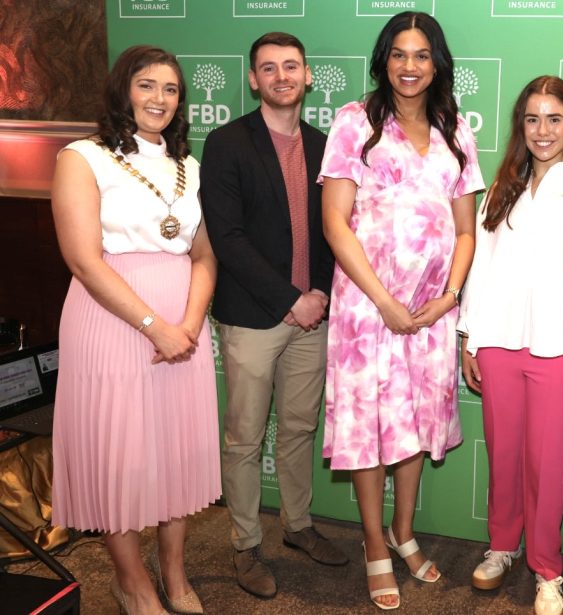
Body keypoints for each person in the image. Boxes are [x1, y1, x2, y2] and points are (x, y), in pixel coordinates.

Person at [319, 11, 484, 611]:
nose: (409, 66)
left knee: (414, 423)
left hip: (432, 312)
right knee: (369, 429)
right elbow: (335, 223)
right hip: (368, 311)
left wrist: (449, 296)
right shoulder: (354, 122)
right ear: (383, 59)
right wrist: (385, 302)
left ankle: (404, 531)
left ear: (436, 62)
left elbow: (466, 230)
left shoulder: (456, 130)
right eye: (398, 54)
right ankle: (374, 544)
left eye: (421, 55)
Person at [50, 45, 219, 615]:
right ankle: (132, 582)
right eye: (147, 86)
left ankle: (174, 575)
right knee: (118, 455)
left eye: (171, 90)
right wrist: (154, 326)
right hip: (112, 319)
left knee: (175, 454)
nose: (159, 99)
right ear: (123, 90)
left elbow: (204, 256)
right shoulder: (82, 157)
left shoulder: (189, 167)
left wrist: (189, 325)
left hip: (183, 324)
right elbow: (82, 259)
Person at [459, 75, 563, 615]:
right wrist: (469, 336)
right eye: (532, 119)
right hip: (499, 343)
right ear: (520, 126)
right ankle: (503, 547)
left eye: (554, 118)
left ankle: (547, 570)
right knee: (503, 455)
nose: (542, 130)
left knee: (547, 465)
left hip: (560, 348)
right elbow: (479, 270)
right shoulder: (501, 189)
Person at [199, 32, 347, 599]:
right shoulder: (226, 143)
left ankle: (298, 526)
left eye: (291, 66)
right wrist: (292, 299)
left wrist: (320, 296)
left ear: (308, 76)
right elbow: (228, 239)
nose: (281, 75)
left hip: (315, 315)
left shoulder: (325, 145)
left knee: (299, 427)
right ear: (254, 80)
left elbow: (338, 230)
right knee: (243, 438)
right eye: (269, 68)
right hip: (256, 316)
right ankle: (244, 544)